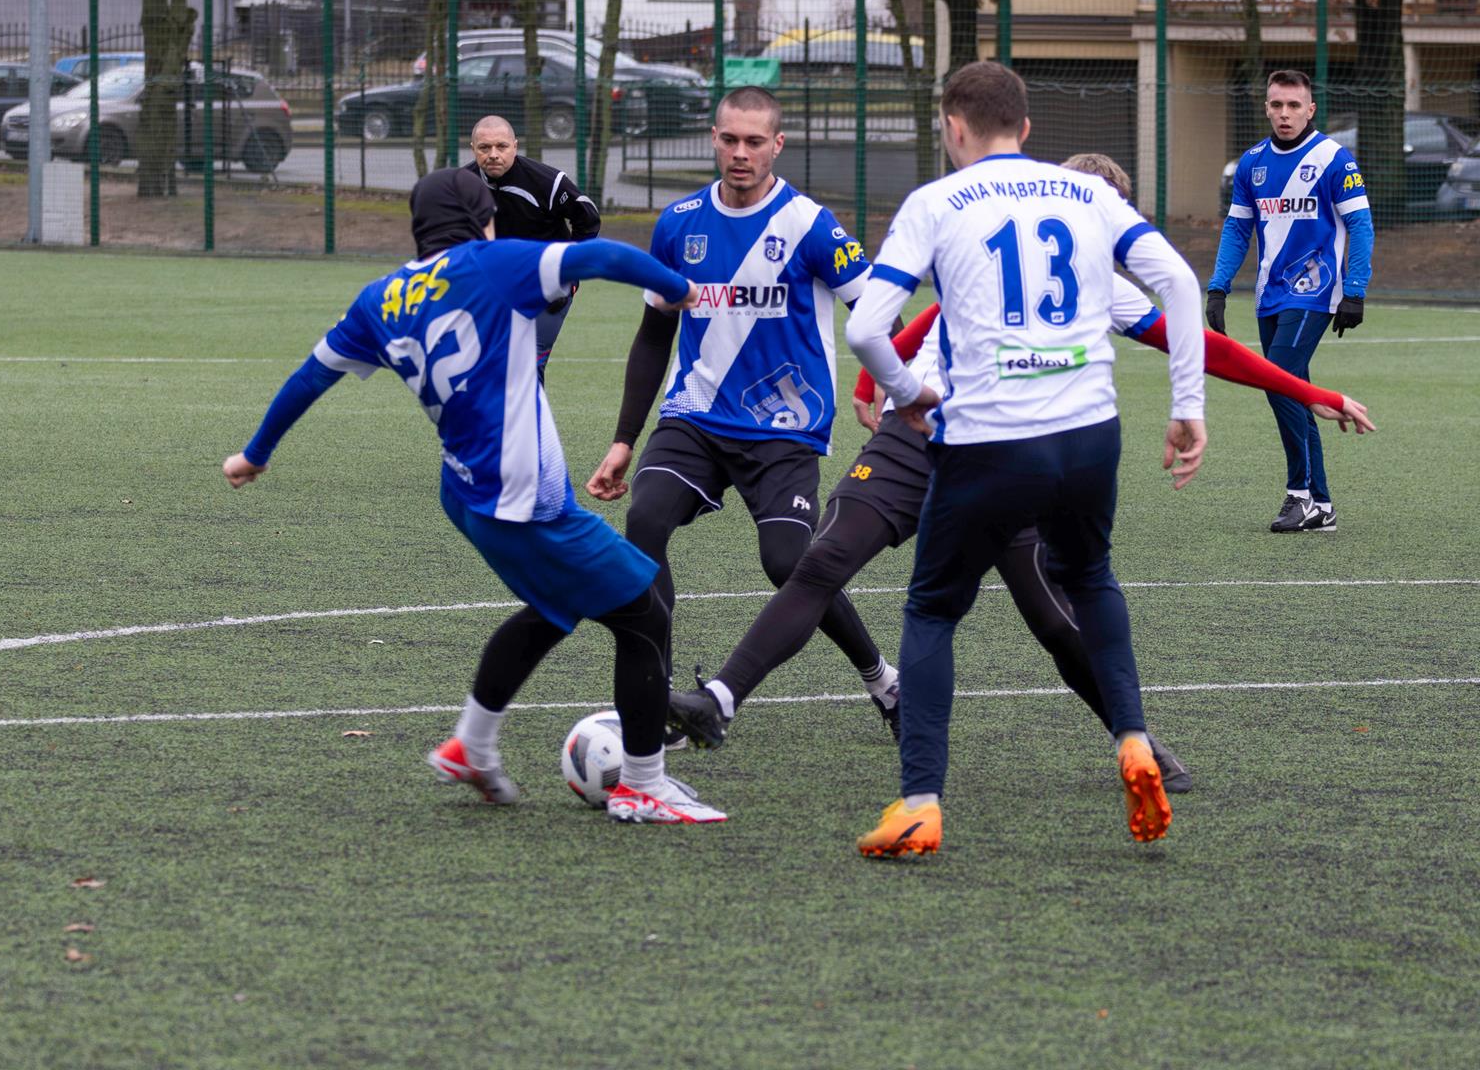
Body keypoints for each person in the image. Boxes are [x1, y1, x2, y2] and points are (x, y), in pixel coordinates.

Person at [667, 151, 1375, 797]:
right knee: (828, 561)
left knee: (1046, 617)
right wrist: (877, 381)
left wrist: (1307, 390)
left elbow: (916, 320)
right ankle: (719, 699)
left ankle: (1134, 740)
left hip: (981, 442)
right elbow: (928, 320)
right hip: (940, 434)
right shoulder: (1043, 249)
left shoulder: (1038, 254)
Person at [225, 168, 725, 825]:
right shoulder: (495, 263)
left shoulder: (380, 298)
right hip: (523, 501)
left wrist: (256, 453)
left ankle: (473, 746)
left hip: (464, 493)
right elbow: (602, 255)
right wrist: (680, 288)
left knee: (553, 608)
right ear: (483, 218)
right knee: (644, 615)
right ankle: (641, 785)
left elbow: (310, 377)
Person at [845, 62, 1210, 857]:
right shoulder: (1088, 194)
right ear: (1028, 128)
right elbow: (1181, 284)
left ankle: (920, 803)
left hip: (989, 440)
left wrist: (906, 392)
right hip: (1089, 435)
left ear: (953, 127)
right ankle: (1133, 739)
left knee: (932, 610)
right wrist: (1188, 406)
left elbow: (866, 328)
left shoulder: (936, 201)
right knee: (1092, 579)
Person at [585, 86, 900, 733]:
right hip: (694, 415)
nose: (740, 152)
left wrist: (891, 388)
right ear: (714, 138)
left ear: (777, 145)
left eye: (755, 141)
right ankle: (659, 702)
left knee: (789, 563)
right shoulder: (678, 224)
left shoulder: (811, 225)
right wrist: (624, 438)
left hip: (785, 428)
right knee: (644, 522)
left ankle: (884, 681)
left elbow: (877, 313)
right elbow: (654, 335)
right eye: (729, 139)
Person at [1206, 69, 1374, 534]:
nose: (1285, 113)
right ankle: (1321, 505)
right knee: (1294, 388)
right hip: (1270, 293)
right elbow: (1237, 228)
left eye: (1294, 105)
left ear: (1310, 109)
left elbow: (1360, 225)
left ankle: (1299, 494)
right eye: (1277, 104)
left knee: (1277, 381)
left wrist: (1355, 290)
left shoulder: (1334, 159)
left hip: (1316, 290)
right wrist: (1218, 287)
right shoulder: (1252, 163)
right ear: (1266, 108)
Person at [450, 115, 601, 380]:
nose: (493, 154)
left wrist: (568, 271)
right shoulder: (461, 186)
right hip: (494, 286)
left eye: (501, 146)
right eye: (484, 147)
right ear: (473, 149)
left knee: (527, 365)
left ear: (515, 146)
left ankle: (529, 410)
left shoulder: (548, 182)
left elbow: (588, 220)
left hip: (547, 285)